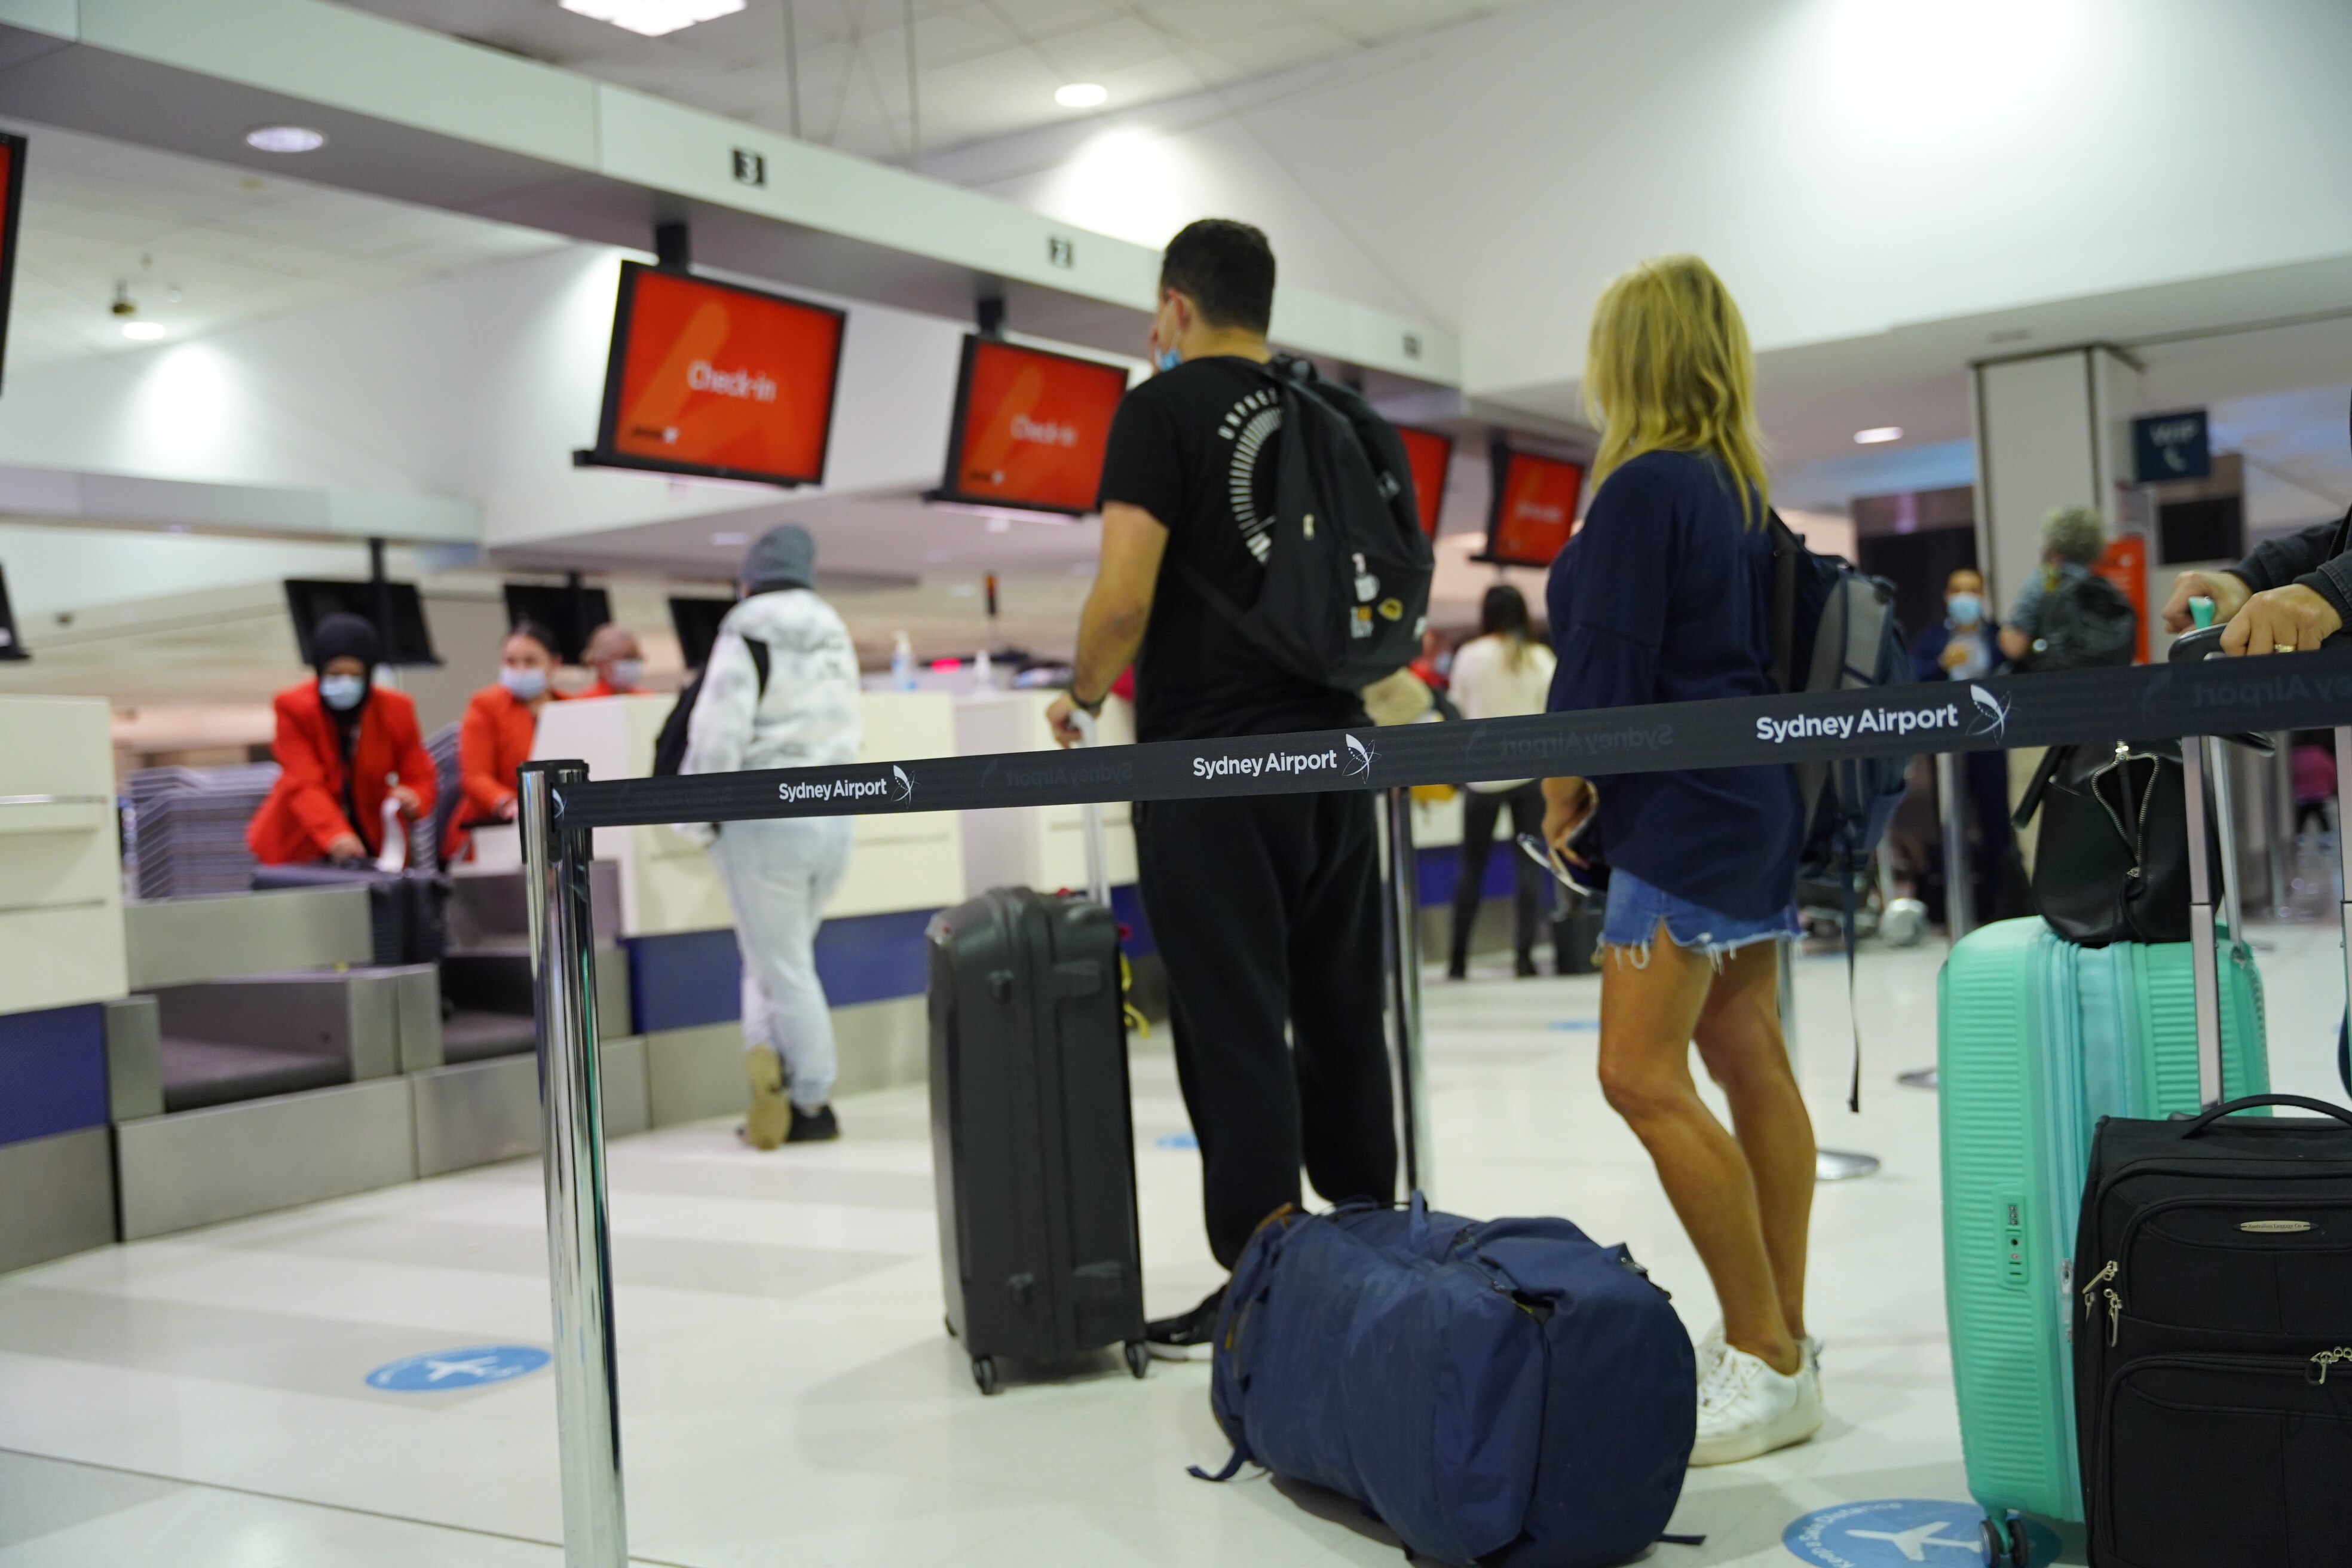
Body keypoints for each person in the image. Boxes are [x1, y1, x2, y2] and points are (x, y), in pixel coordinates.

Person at [1044, 218, 1399, 1348]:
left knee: (1234, 1019)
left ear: (1176, 308)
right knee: (1344, 1006)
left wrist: (1085, 691)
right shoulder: (1332, 409)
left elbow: (1123, 594)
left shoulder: (1158, 410)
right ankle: (1371, 1244)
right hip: (1337, 756)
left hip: (1210, 764)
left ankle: (1269, 1276)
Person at [1540, 255, 1817, 1465]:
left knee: (1638, 1075)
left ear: (1628, 362)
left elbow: (1603, 669)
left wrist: (1562, 785)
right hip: (1752, 805)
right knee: (1746, 1054)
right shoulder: (1737, 492)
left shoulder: (1647, 488)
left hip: (1681, 819)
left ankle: (1762, 1349)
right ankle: (1784, 1340)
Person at [681, 523, 861, 1149]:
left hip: (766, 814)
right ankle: (770, 1070)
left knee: (783, 962)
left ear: (749, 576)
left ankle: (814, 1099)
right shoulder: (833, 625)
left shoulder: (748, 624)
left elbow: (718, 730)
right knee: (770, 955)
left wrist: (701, 811)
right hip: (835, 814)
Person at [247, 612, 436, 866]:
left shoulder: (397, 710)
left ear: (369, 674)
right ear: (320, 671)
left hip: (372, 841)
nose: (345, 682)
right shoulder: (293, 708)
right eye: (335, 674)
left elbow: (419, 773)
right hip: (299, 843)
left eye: (355, 675)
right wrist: (334, 834)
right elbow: (303, 782)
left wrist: (414, 797)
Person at [1446, 584, 1558, 979]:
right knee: (1529, 865)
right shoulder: (1539, 657)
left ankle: (1457, 960)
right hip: (1530, 771)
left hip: (1481, 775)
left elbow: (1457, 708)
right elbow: (1551, 712)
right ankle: (1525, 958)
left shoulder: (1469, 656)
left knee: (1470, 867)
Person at [1909, 569, 2011, 923]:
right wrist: (1940, 664)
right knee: (1950, 819)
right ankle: (1951, 901)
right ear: (1947, 595)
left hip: (1991, 739)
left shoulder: (1999, 636)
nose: (1966, 598)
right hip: (1949, 742)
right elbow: (1910, 675)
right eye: (1959, 591)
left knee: (1996, 819)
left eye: (1973, 591)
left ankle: (2000, 900)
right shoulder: (1933, 638)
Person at [454, 621, 562, 858]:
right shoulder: (484, 706)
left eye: (530, 661)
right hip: (496, 833)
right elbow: (474, 777)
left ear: (554, 664)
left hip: (561, 829)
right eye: (511, 662)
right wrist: (508, 803)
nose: (520, 670)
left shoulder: (571, 707)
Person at [1998, 504, 2131, 670]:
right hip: (2102, 684)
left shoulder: (2046, 579)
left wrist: (2003, 635)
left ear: (2053, 546)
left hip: (2054, 686)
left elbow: (2015, 646)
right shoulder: (2104, 586)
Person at [578, 623, 646, 699]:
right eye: (627, 657)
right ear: (601, 663)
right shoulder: (586, 702)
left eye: (637, 658)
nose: (633, 663)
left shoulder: (646, 698)